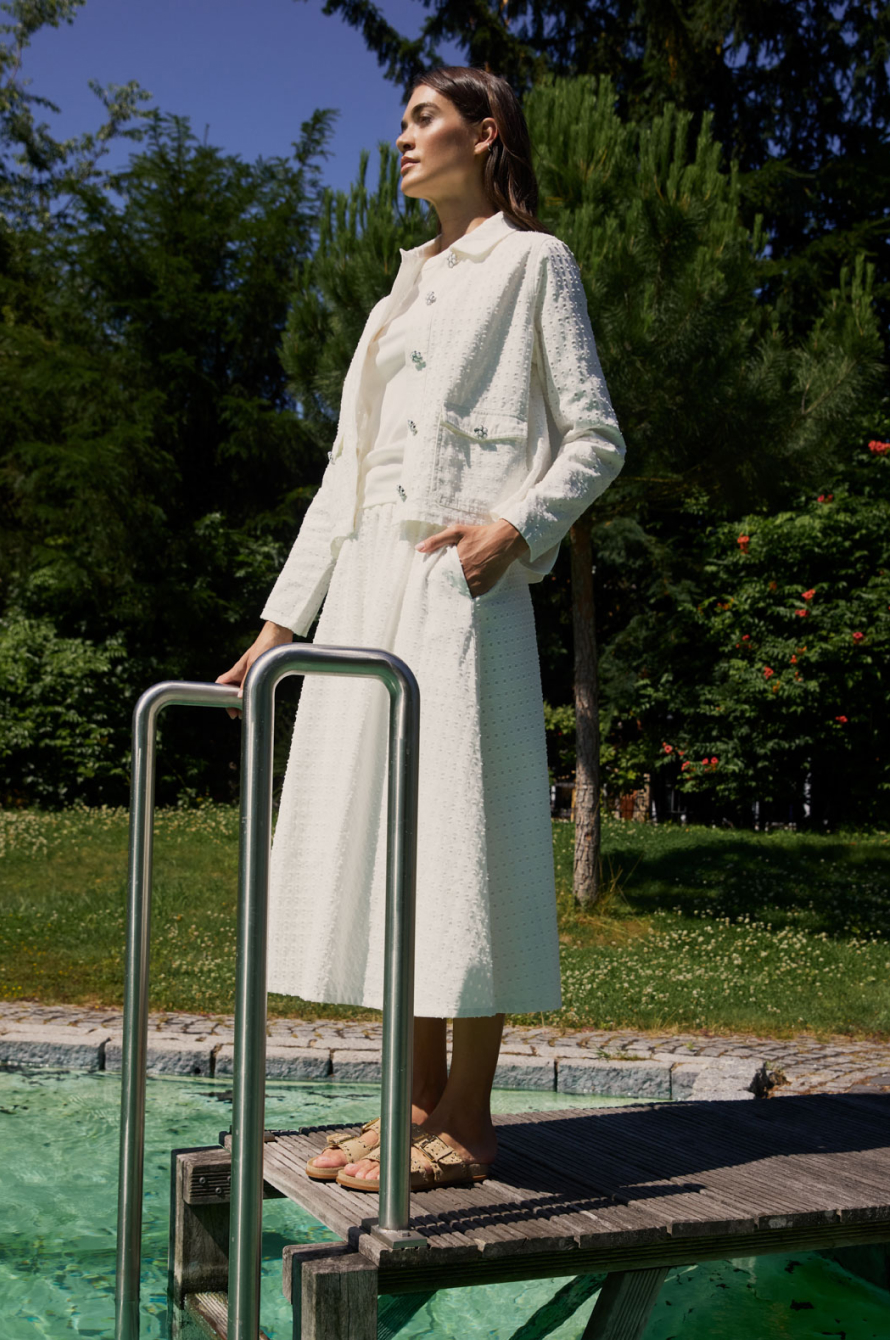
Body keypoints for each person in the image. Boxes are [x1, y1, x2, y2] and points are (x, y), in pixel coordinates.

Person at [217, 65, 625, 1193]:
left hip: (460, 588)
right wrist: (282, 621)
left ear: (484, 134)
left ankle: (470, 1115)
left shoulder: (533, 262)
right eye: (401, 121)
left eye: (425, 119)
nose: (401, 138)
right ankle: (409, 1097)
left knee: (461, 835)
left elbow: (594, 437)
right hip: (365, 596)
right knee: (388, 840)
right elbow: (345, 473)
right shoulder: (394, 297)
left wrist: (515, 525)